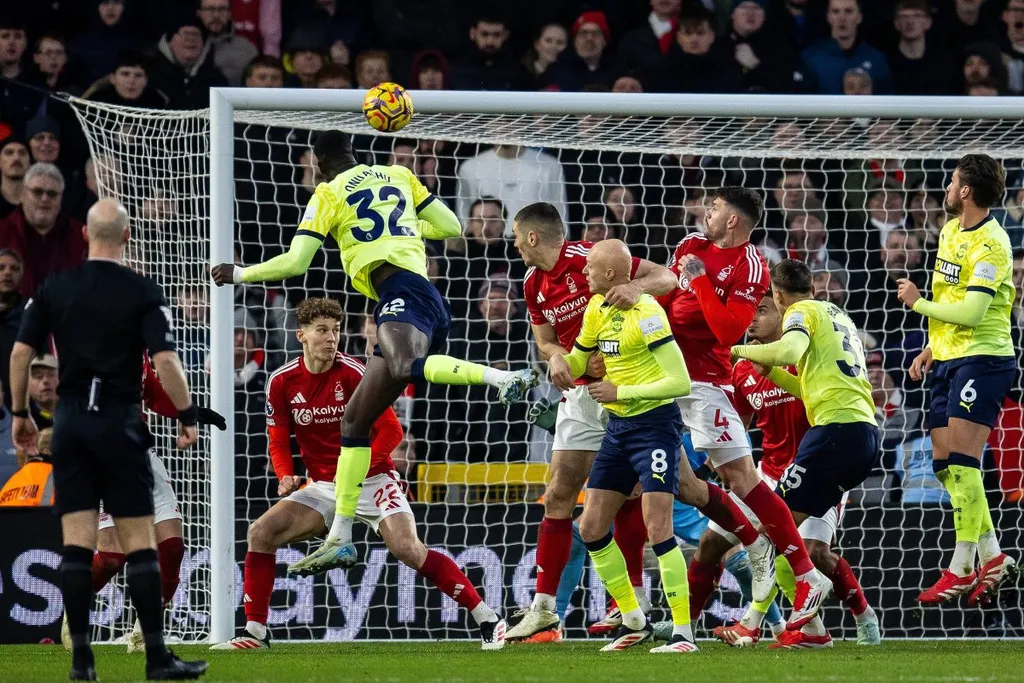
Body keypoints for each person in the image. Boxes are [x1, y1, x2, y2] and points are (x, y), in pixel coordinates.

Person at [211, 131, 537, 575]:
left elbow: (295, 263)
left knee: (403, 367)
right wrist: (401, 226)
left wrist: (239, 273)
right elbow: (452, 227)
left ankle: (504, 379)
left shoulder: (328, 192)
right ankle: (340, 536)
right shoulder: (398, 174)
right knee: (355, 421)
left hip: (402, 292)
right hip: (419, 295)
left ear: (321, 167)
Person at [212, 298, 506, 650]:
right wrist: (285, 475)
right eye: (322, 331)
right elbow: (277, 440)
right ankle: (255, 633)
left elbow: (392, 434)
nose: (331, 339)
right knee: (261, 533)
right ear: (301, 335)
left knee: (407, 548)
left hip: (374, 479)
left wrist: (356, 472)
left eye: (335, 331)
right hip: (322, 486)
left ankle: (487, 617)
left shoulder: (354, 373)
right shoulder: (281, 381)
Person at [9, 198, 206, 680]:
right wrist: (185, 412)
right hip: (119, 425)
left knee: (78, 547)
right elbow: (164, 361)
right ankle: (157, 659)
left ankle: (81, 660)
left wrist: (20, 414)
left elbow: (18, 354)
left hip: (72, 424)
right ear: (128, 236)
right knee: (139, 546)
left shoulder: (55, 288)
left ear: (84, 236)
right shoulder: (142, 290)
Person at [504, 202, 678, 642]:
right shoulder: (531, 283)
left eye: (514, 236)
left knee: (666, 492)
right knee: (559, 492)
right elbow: (544, 340)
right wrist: (557, 356)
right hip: (581, 395)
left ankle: (748, 542)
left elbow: (669, 278)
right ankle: (545, 611)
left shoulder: (592, 258)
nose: (513, 245)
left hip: (632, 387)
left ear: (530, 237)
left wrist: (636, 289)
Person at [661, 187, 832, 629]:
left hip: (703, 383)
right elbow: (663, 299)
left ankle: (800, 573)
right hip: (658, 374)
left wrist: (699, 280)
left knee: (740, 479)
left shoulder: (751, 265)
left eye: (714, 207)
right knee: (622, 483)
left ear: (733, 219)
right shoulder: (688, 246)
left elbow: (726, 334)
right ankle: (644, 616)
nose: (706, 212)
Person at [547, 239, 699, 653]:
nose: (584, 274)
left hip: (654, 426)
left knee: (658, 527)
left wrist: (621, 390)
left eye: (591, 269)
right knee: (591, 526)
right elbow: (579, 360)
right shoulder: (596, 309)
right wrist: (559, 360)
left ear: (612, 274)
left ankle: (684, 633)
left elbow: (680, 382)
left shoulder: (647, 314)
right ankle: (634, 619)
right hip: (618, 428)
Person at [714, 294, 880, 648]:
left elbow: (804, 379)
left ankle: (863, 614)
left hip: (823, 455)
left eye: (763, 310)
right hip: (772, 470)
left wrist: (746, 354)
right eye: (751, 312)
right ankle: (806, 631)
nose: (753, 320)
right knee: (733, 545)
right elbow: (739, 421)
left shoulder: (805, 350)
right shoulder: (747, 369)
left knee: (811, 551)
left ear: (783, 311)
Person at [897, 154, 1019, 606]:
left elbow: (972, 312)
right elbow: (952, 297)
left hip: (984, 359)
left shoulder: (993, 244)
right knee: (946, 464)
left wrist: (917, 304)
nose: (946, 189)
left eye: (951, 182)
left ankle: (961, 566)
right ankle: (993, 554)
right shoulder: (950, 232)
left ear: (966, 190)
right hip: (949, 358)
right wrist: (933, 345)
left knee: (965, 463)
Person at [62, 351, 225, 654]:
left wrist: (189, 411)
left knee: (173, 547)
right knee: (112, 558)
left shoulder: (138, 350)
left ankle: (144, 631)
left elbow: (153, 394)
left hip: (142, 459)